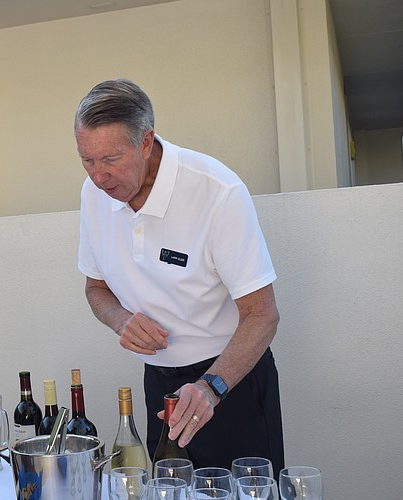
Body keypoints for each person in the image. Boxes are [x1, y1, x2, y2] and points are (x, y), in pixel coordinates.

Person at [74, 78, 284, 476]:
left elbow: (263, 315)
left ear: (146, 142)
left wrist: (211, 388)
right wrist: (122, 320)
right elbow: (95, 288)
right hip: (160, 385)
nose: (98, 177)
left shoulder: (216, 191)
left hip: (229, 382)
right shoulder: (93, 194)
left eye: (111, 159)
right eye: (87, 160)